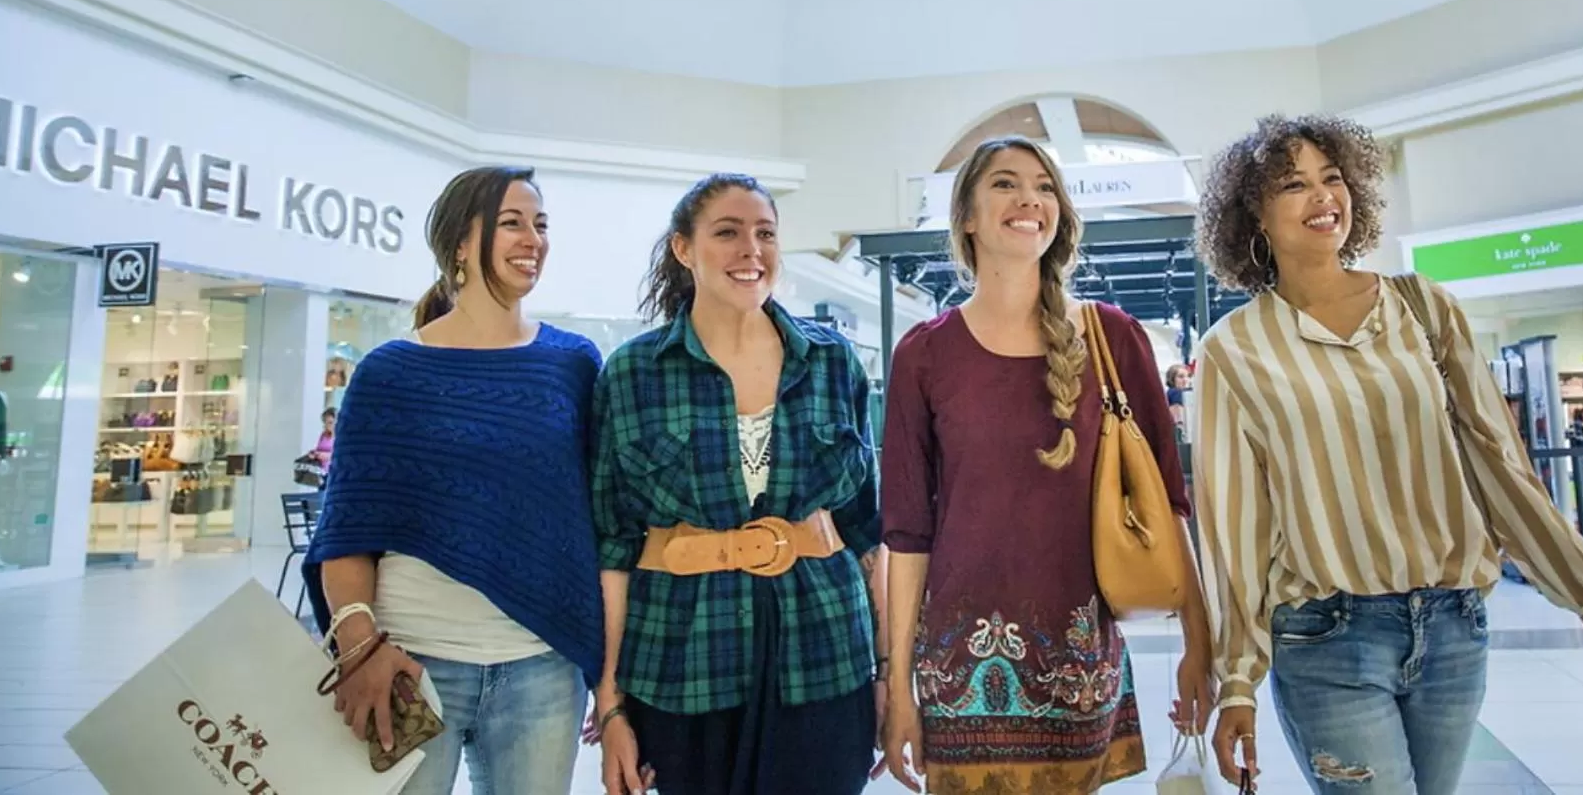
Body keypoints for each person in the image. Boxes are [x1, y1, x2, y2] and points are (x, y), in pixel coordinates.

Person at [1191, 114, 1583, 795]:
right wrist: (1237, 680)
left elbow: (1502, 471)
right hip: (1327, 636)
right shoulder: (1233, 350)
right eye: (1293, 185)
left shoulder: (1423, 308)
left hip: (1453, 625)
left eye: (1332, 178)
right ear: (1253, 215)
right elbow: (1235, 528)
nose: (1323, 196)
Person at [879, 137, 1213, 795]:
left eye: (1044, 186)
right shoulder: (923, 354)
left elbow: (1166, 504)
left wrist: (1199, 645)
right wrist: (899, 689)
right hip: (956, 669)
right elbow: (908, 533)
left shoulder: (1113, 338)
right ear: (966, 217)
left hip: (1076, 657)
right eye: (1006, 183)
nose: (1030, 198)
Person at [304, 166, 606, 795]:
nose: (534, 239)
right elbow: (347, 531)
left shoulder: (573, 364)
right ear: (461, 243)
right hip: (411, 663)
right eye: (512, 223)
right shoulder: (390, 372)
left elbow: (602, 520)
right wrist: (359, 648)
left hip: (542, 668)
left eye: (541, 224)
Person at [591, 173, 885, 795]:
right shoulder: (633, 373)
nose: (751, 250)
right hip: (682, 664)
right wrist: (610, 702)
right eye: (727, 232)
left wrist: (888, 673)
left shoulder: (833, 363)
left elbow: (866, 530)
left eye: (765, 234)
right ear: (684, 248)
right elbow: (613, 546)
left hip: (825, 655)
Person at [299, 407, 337, 475]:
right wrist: (313, 453)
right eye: (326, 422)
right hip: (319, 471)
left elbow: (336, 455)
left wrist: (319, 455)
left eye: (330, 422)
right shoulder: (323, 435)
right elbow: (318, 449)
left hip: (332, 473)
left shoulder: (340, 437)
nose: (328, 425)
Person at [1164, 363, 1190, 436]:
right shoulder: (1177, 392)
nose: (1185, 380)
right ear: (1172, 379)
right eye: (1181, 377)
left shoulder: (1170, 392)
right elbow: (1178, 418)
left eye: (1187, 376)